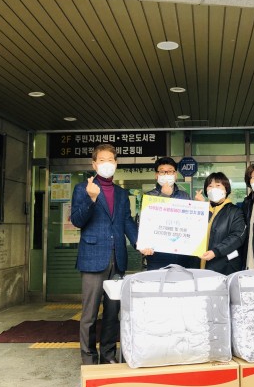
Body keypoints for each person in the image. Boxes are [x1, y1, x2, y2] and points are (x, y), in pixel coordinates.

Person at [70, 143, 146, 365]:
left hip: (118, 258)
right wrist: (91, 199)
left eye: (110, 160)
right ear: (94, 164)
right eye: (101, 160)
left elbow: (126, 221)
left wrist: (140, 242)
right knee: (89, 314)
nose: (106, 164)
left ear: (116, 163)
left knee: (113, 313)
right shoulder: (82, 188)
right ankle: (88, 358)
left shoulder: (121, 193)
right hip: (93, 258)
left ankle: (108, 355)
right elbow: (77, 220)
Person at [141, 157, 200, 270]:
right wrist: (164, 196)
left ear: (175, 175)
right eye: (162, 172)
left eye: (170, 171)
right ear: (156, 175)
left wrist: (199, 207)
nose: (166, 174)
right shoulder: (149, 196)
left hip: (182, 254)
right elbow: (148, 223)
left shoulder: (184, 196)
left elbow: (191, 223)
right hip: (157, 255)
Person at [195, 172, 245, 275]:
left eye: (218, 185)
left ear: (226, 189)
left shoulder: (235, 211)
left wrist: (216, 252)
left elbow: (237, 236)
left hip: (224, 266)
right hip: (198, 264)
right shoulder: (201, 209)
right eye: (210, 186)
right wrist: (200, 207)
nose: (214, 189)